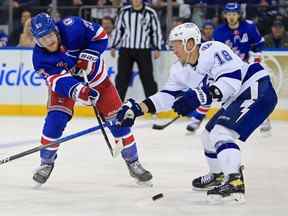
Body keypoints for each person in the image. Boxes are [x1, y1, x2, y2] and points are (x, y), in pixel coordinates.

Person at [115, 22, 278, 203]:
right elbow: (167, 95)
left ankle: (234, 181)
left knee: (220, 133)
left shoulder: (213, 49)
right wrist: (137, 110)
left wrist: (197, 96)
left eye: (175, 44)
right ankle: (218, 175)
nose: (173, 50)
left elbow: (229, 83)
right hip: (238, 97)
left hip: (255, 88)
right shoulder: (179, 69)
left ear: (190, 43)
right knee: (208, 135)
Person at [30, 13, 152, 185]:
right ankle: (46, 163)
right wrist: (81, 92)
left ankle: (133, 162)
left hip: (99, 82)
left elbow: (101, 36)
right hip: (66, 90)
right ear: (37, 41)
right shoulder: (39, 58)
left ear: (56, 30)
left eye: (49, 35)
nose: (48, 41)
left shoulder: (72, 26)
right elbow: (57, 82)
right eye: (42, 39)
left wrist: (90, 53)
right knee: (54, 122)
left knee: (119, 123)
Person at [213, 2, 272, 135]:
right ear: (225, 15)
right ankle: (230, 122)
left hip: (248, 67)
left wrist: (254, 57)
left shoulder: (249, 27)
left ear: (239, 15)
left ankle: (264, 121)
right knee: (229, 96)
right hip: (230, 70)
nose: (232, 17)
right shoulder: (219, 32)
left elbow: (260, 45)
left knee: (255, 95)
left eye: (234, 14)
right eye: (229, 14)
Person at [111, 0, 162, 101]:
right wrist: (114, 45)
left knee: (148, 78)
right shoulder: (124, 11)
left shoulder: (150, 12)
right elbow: (118, 29)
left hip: (143, 49)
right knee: (121, 78)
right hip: (126, 49)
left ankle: (153, 105)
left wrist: (156, 47)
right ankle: (116, 105)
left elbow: (155, 31)